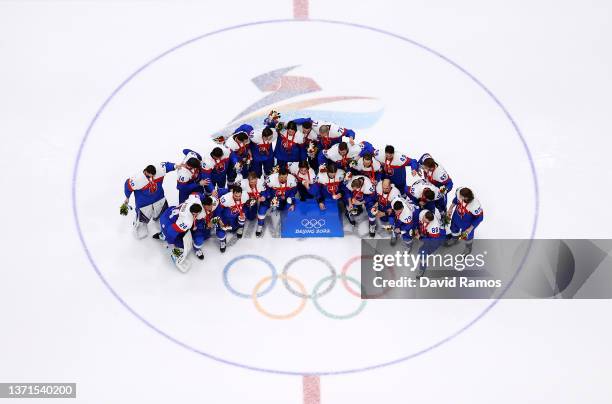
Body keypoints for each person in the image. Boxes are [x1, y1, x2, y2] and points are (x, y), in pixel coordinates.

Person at [121, 161, 177, 239]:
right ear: (146, 172)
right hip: (144, 203)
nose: (153, 177)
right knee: (143, 217)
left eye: (154, 175)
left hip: (159, 198)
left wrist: (175, 166)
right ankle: (140, 226)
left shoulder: (158, 171)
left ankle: (160, 220)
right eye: (151, 175)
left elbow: (165, 166)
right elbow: (128, 186)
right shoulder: (137, 179)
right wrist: (127, 197)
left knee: (162, 212)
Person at [153, 194, 204, 269]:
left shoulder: (194, 200)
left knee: (180, 232)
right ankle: (164, 237)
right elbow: (171, 231)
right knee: (180, 244)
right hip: (167, 222)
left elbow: (194, 194)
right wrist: (170, 242)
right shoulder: (187, 221)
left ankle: (163, 234)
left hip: (169, 211)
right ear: (194, 213)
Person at [445, 187, 483, 254]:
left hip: (467, 221)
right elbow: (456, 200)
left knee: (467, 236)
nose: (459, 196)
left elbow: (480, 218)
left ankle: (468, 247)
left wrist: (470, 229)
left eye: (461, 196)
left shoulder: (474, 205)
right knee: (453, 228)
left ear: (466, 198)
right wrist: (450, 208)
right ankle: (455, 239)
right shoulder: (459, 193)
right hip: (457, 215)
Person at [416, 209, 446, 279]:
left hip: (436, 239)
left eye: (426, 221)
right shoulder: (422, 213)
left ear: (430, 221)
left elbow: (432, 241)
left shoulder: (434, 227)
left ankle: (422, 269)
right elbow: (420, 222)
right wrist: (417, 229)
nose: (423, 220)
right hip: (429, 234)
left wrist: (420, 238)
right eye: (423, 219)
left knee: (422, 253)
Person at [240, 171, 271, 237]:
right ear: (248, 180)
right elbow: (234, 191)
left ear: (257, 179)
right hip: (249, 201)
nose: (253, 184)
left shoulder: (261, 183)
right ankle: (240, 227)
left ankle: (260, 226)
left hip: (260, 199)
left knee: (261, 211)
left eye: (255, 182)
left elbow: (267, 192)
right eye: (251, 182)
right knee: (250, 217)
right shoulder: (242, 183)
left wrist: (264, 196)